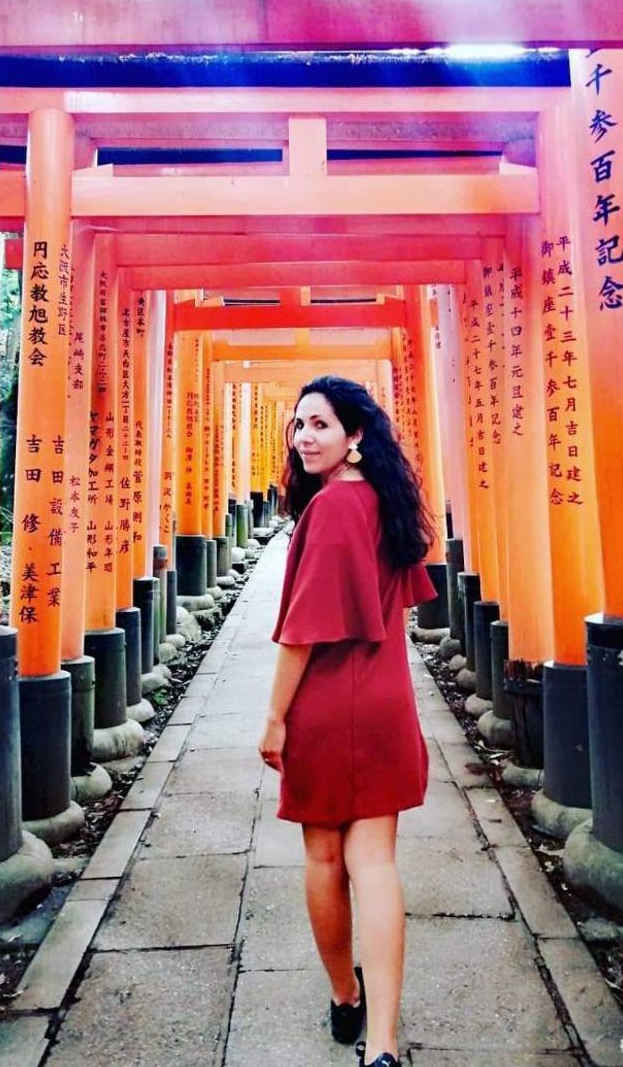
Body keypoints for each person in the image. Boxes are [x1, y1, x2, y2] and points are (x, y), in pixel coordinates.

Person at [258, 375, 437, 1067]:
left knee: (326, 858)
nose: (303, 436)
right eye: (298, 425)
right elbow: (402, 602)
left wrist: (274, 718)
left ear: (355, 436)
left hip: (330, 705)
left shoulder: (331, 508)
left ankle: (345, 1000)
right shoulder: (386, 504)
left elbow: (302, 634)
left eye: (320, 425)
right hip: (387, 698)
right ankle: (384, 1047)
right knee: (378, 864)